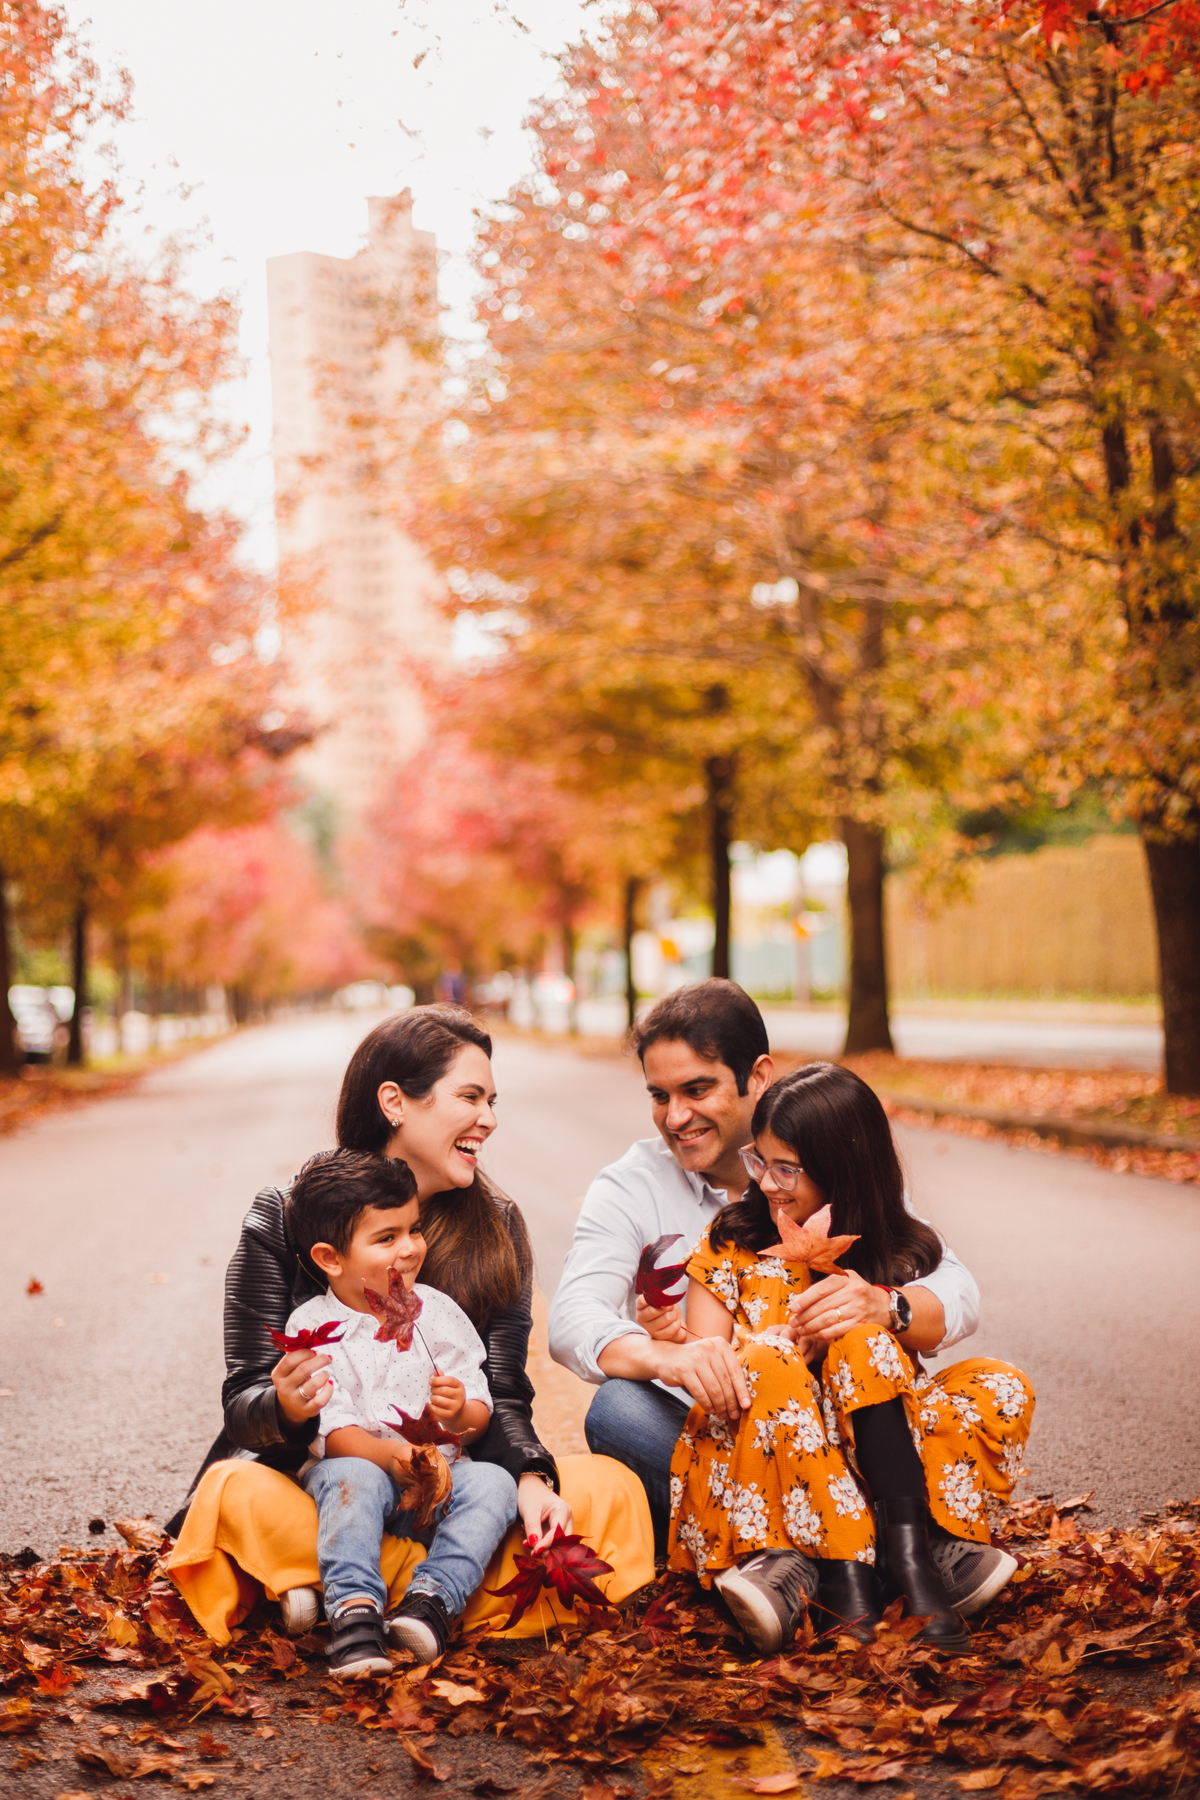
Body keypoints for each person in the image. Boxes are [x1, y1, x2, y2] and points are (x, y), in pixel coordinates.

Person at [168, 1007, 657, 1644]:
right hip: (320, 1488)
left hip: (452, 1496)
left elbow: (502, 1394)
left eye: (491, 1101)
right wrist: (286, 1408)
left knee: (609, 1488)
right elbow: (245, 1402)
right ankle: (418, 1586)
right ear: (395, 1102)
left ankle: (334, 1586)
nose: (489, 1119)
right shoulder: (284, 1217)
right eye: (470, 1097)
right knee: (232, 1489)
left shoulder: (497, 1226)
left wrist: (531, 1478)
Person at [548, 979, 1010, 1627]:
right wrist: (667, 1356)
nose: (675, 1116)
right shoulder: (632, 1187)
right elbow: (573, 1318)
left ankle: (811, 1560)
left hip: (853, 1422)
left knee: (978, 1385)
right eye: (659, 1095)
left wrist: (883, 1307)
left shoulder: (831, 1163)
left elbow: (954, 1292)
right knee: (619, 1410)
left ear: (758, 1077)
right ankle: (885, 1553)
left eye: (697, 1089)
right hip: (736, 1428)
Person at [666, 1062, 1035, 1655]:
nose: (767, 1183)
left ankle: (904, 1555)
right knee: (767, 1356)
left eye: (787, 1168)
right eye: (760, 1161)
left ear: (843, 1166)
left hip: (880, 1457)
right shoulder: (730, 1239)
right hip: (770, 1458)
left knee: (973, 1375)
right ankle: (854, 1572)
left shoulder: (893, 1244)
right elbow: (708, 1368)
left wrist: (881, 1307)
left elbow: (953, 1306)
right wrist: (766, 1346)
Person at [280, 1149, 518, 1675]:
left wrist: (460, 1412)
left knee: (496, 1484)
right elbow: (334, 1432)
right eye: (387, 1238)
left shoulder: (437, 1312)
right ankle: (354, 1611)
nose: (410, 1248)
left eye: (414, 1229)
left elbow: (479, 1412)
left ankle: (431, 1602)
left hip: (439, 1481)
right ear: (330, 1258)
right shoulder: (312, 1329)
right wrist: (392, 1456)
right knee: (351, 1475)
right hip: (358, 1477)